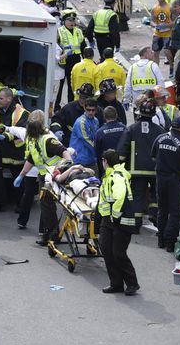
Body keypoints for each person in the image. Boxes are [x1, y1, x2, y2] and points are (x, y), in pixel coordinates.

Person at [6, 110, 71, 238]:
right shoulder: (33, 139)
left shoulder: (48, 139)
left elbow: (64, 152)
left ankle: (49, 233)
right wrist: (21, 175)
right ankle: (48, 233)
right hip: (43, 175)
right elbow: (31, 158)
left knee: (47, 205)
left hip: (52, 175)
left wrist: (66, 165)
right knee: (44, 204)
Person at [98, 149, 140, 296]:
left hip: (121, 221)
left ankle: (132, 284)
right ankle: (116, 284)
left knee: (118, 253)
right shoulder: (108, 176)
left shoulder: (117, 176)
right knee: (106, 250)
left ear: (105, 161)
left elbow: (120, 196)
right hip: (108, 220)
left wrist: (115, 216)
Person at [117, 99, 164, 224]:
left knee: (137, 196)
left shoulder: (131, 129)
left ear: (139, 114)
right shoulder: (160, 131)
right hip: (154, 170)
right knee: (155, 193)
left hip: (136, 170)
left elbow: (122, 151)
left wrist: (120, 165)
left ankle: (136, 222)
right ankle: (154, 214)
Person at [152, 116, 180, 252]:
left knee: (162, 209)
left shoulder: (160, 138)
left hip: (161, 178)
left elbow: (153, 156)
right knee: (175, 212)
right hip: (176, 179)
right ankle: (170, 242)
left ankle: (161, 239)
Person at [0, 87, 28, 213]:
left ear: (9, 99)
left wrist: (6, 136)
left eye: (1, 98)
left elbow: (22, 131)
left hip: (15, 150)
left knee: (19, 178)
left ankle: (21, 205)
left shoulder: (21, 113)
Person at [57, 10, 88, 104]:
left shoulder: (78, 31)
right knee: (59, 86)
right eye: (69, 20)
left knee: (73, 85)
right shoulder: (59, 31)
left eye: (73, 20)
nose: (72, 22)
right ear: (64, 21)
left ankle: (71, 104)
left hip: (75, 62)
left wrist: (86, 61)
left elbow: (83, 47)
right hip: (63, 62)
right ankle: (56, 106)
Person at [69, 99, 100, 169]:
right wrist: (98, 151)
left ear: (96, 110)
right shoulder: (80, 122)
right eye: (88, 110)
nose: (91, 112)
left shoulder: (96, 121)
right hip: (79, 159)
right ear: (84, 108)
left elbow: (96, 138)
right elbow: (86, 140)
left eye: (93, 110)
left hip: (91, 159)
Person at [151, 0, 173, 66]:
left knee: (167, 52)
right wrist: (155, 25)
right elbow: (152, 21)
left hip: (168, 34)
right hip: (157, 34)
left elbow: (175, 21)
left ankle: (172, 68)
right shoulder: (155, 8)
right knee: (155, 53)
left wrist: (166, 25)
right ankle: (156, 69)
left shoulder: (170, 8)